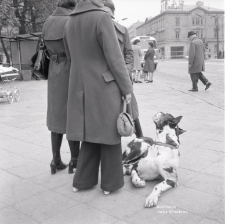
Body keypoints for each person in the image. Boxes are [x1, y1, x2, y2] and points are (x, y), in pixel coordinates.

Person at [63, 0, 133, 195]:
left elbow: (70, 57)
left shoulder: (70, 21)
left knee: (90, 135)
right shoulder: (102, 17)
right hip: (104, 85)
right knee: (110, 135)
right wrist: (127, 88)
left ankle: (82, 181)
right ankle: (110, 184)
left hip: (79, 85)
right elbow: (115, 58)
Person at [42, 0, 80, 175]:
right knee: (72, 116)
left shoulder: (48, 21)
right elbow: (75, 50)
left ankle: (55, 160)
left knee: (56, 116)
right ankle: (75, 160)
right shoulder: (70, 20)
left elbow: (45, 49)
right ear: (71, 6)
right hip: (69, 70)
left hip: (53, 70)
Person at [102, 0, 143, 138]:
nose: (105, 15)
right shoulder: (97, 29)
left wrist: (127, 70)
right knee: (108, 112)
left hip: (123, 76)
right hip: (105, 78)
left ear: (113, 13)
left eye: (108, 12)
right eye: (103, 12)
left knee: (132, 109)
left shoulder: (123, 30)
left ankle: (140, 139)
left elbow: (129, 53)